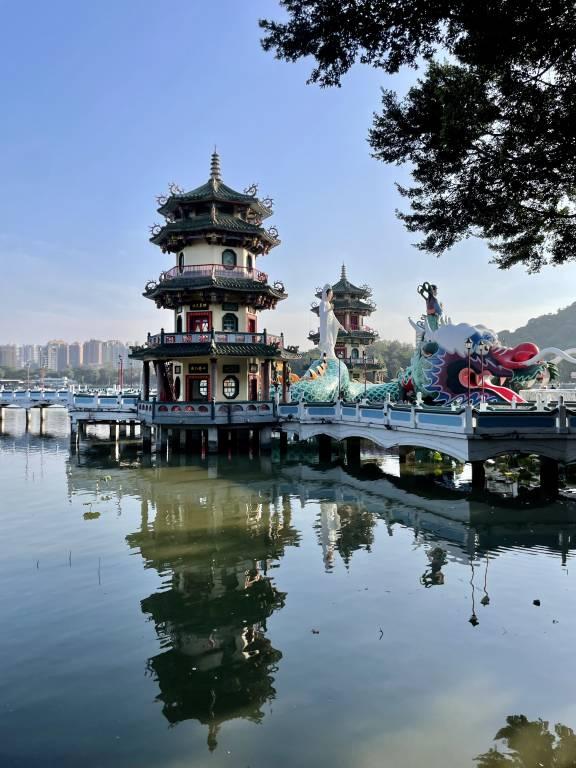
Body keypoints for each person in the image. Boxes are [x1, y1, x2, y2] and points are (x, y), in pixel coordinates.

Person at [318, 284, 346, 358]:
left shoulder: (329, 304)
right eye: (330, 294)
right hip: (325, 328)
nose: (331, 296)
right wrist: (330, 309)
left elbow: (333, 317)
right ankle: (325, 357)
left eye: (331, 294)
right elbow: (322, 315)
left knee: (330, 342)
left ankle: (329, 356)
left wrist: (340, 325)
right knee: (326, 342)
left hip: (329, 328)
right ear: (326, 294)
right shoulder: (322, 303)